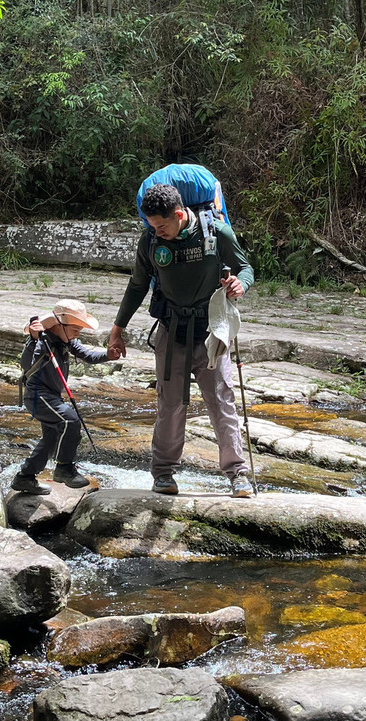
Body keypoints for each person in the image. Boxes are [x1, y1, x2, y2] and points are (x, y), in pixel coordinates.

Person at [108, 182, 255, 498]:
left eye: (162, 226)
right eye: (152, 227)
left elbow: (246, 269)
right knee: (170, 404)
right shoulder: (150, 241)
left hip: (213, 331)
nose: (157, 232)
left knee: (221, 401)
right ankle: (163, 474)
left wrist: (240, 286)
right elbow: (137, 286)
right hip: (171, 330)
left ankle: (237, 475)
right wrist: (117, 330)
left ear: (179, 214)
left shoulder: (216, 233)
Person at [12, 299, 118, 496]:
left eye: (81, 327)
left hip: (51, 396)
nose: (79, 331)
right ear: (58, 325)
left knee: (51, 438)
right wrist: (33, 339)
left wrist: (108, 355)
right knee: (70, 420)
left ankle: (24, 477)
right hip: (38, 396)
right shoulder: (42, 342)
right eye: (75, 327)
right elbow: (26, 363)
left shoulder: (67, 341)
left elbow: (88, 355)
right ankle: (64, 469)